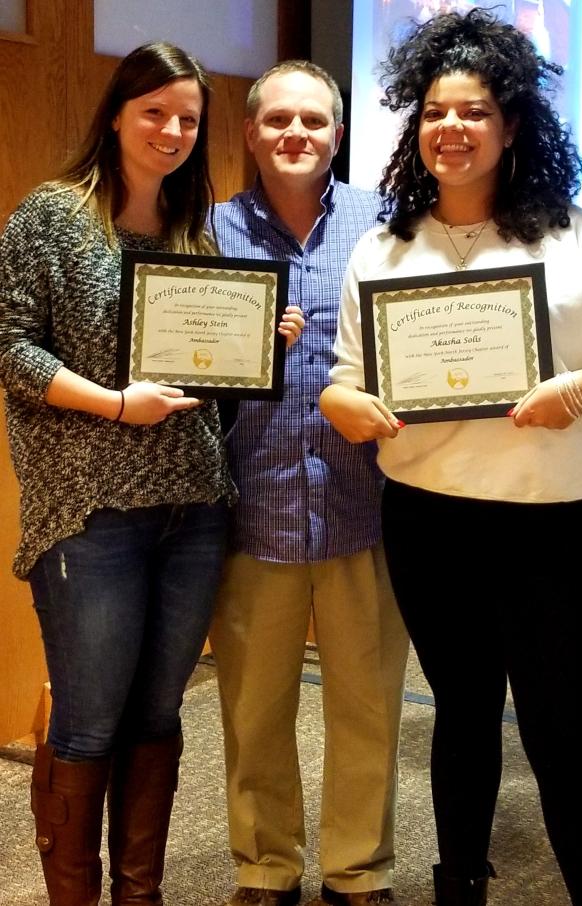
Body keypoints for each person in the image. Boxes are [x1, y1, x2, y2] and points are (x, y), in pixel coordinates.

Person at [0, 41, 299, 906]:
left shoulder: (189, 230)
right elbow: (9, 344)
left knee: (157, 718)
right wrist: (111, 402)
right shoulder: (53, 217)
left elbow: (199, 379)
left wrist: (254, 350)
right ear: (119, 113)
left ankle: (141, 895)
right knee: (90, 723)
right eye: (154, 111)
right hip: (91, 512)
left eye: (188, 119)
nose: (171, 130)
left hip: (193, 507)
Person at [320, 9, 582, 906]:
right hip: (429, 513)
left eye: (473, 111)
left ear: (511, 124)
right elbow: (343, 380)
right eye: (436, 112)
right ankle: (459, 885)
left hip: (556, 516)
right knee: (462, 711)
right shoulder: (385, 247)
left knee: (563, 721)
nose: (452, 129)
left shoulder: (575, 237)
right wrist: (346, 407)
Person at [208, 60, 410, 906]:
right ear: (251, 131)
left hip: (364, 507)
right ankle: (266, 867)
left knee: (367, 708)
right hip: (254, 510)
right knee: (254, 714)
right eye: (279, 120)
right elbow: (180, 365)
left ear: (337, 133)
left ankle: (356, 869)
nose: (297, 135)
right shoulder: (210, 230)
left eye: (315, 123)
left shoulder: (386, 222)